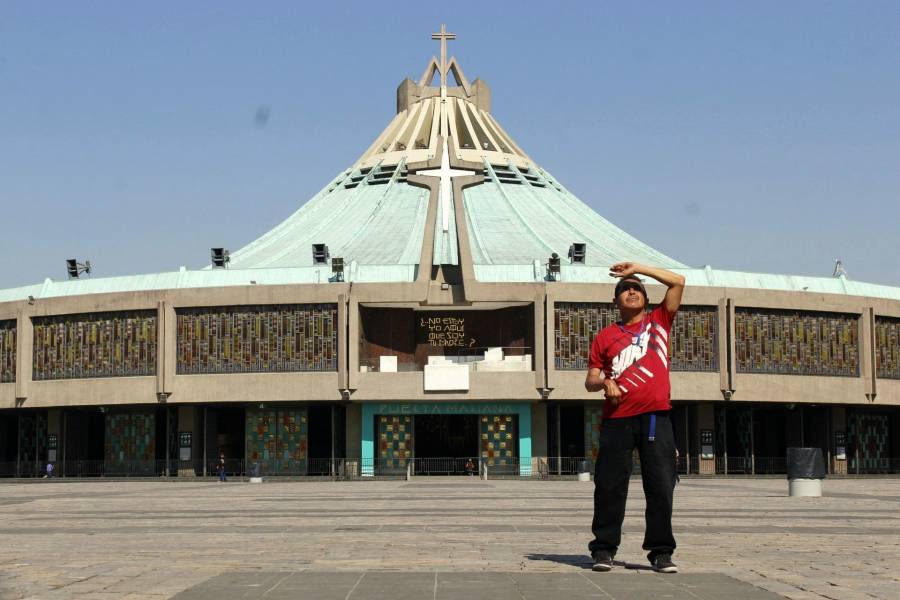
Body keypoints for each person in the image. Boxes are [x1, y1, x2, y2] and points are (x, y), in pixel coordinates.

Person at [585, 261, 685, 574]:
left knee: (660, 485)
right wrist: (604, 381)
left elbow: (678, 281)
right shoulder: (605, 337)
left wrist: (639, 268)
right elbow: (590, 379)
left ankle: (660, 552)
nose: (632, 291)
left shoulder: (660, 322)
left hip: (656, 416)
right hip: (617, 419)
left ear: (645, 297)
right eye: (625, 289)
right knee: (609, 485)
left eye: (637, 288)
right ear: (615, 302)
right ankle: (603, 549)